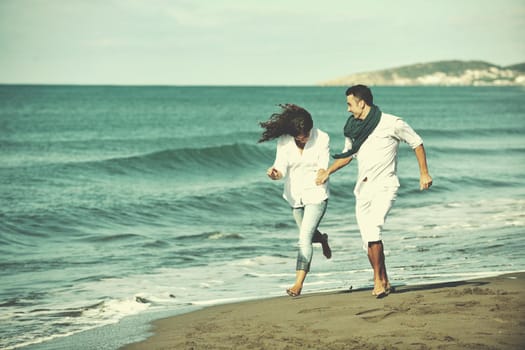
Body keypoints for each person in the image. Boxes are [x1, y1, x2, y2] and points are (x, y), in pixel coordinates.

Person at [316, 85, 433, 298]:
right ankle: (385, 280)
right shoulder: (353, 128)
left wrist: (424, 173)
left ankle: (377, 281)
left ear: (362, 103)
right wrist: (328, 171)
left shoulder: (392, 123)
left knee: (373, 231)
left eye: (349, 104)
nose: (348, 109)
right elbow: (347, 154)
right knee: (366, 240)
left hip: (385, 186)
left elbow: (417, 142)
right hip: (363, 189)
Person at [259, 103, 332, 297]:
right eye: (299, 136)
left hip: (316, 193)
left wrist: (322, 173)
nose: (303, 138)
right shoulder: (284, 140)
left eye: (306, 134)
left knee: (303, 239)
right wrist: (274, 174)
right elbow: (280, 168)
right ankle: (322, 238)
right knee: (307, 234)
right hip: (295, 196)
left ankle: (298, 283)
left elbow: (323, 163)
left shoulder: (322, 137)